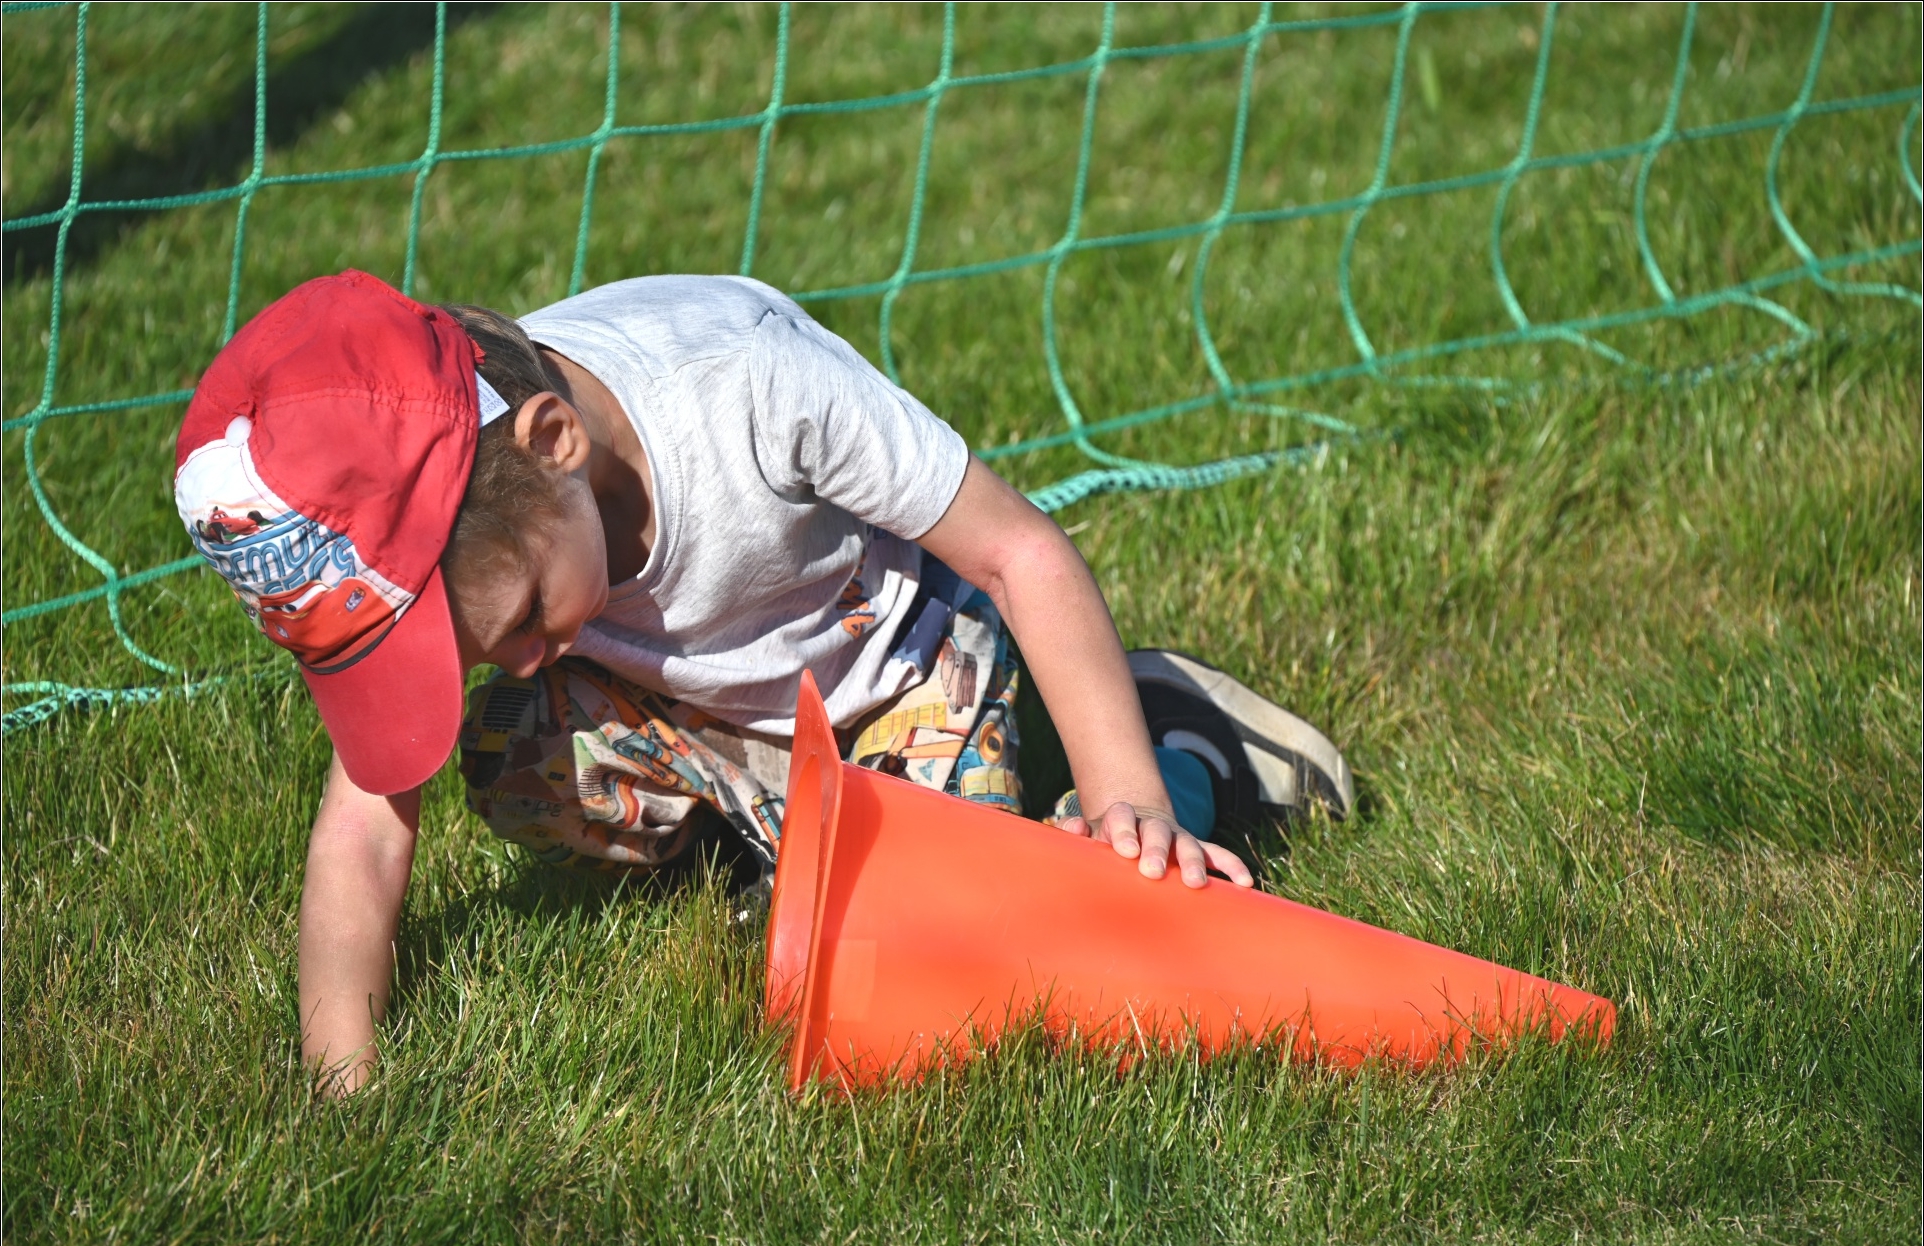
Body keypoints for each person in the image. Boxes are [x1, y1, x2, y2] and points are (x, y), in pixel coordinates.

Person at [173, 269, 1354, 1094]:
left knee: (988, 955)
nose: (523, 658)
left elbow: (1020, 552)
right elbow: (365, 824)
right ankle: (790, 838)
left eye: (524, 618)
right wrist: (344, 1080)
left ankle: (1182, 741)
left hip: (899, 674)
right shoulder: (488, 491)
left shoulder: (745, 387)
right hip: (715, 718)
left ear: (555, 441)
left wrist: (1126, 797)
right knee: (508, 754)